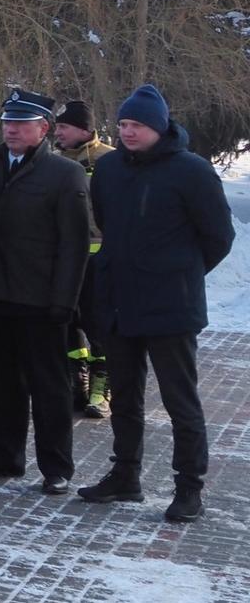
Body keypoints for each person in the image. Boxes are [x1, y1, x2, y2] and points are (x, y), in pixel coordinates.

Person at [78, 85, 234, 523]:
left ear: (159, 127)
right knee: (124, 395)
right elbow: (106, 222)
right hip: (119, 302)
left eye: (138, 125)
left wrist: (179, 274)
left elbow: (218, 237)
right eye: (124, 124)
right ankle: (125, 475)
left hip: (170, 306)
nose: (128, 131)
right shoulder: (108, 169)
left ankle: (189, 489)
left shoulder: (192, 171)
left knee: (179, 400)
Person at [0, 88, 91, 495]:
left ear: (44, 128)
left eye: (21, 123)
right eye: (7, 123)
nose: (12, 130)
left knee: (50, 387)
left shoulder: (63, 174)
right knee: (2, 384)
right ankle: (5, 456)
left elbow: (74, 244)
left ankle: (56, 467)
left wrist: (65, 300)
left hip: (42, 301)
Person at [54, 98, 117, 418]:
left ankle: (100, 386)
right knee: (68, 322)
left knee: (98, 325)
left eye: (64, 126)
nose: (58, 131)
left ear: (83, 128)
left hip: (100, 261)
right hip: (63, 259)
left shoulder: (110, 161)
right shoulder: (51, 161)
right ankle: (75, 378)